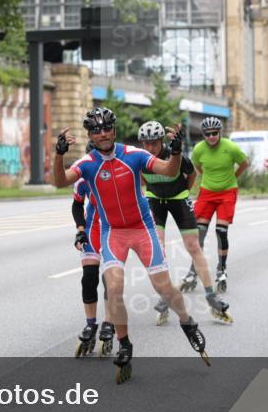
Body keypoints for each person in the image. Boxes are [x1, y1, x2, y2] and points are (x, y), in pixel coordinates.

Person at [52, 107, 210, 384]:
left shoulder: (133, 155)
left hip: (142, 229)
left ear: (113, 130)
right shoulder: (88, 163)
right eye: (95, 130)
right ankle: (125, 344)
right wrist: (59, 154)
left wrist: (175, 152)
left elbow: (168, 171)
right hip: (113, 233)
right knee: (113, 288)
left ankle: (187, 321)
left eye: (106, 128)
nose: (102, 134)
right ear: (89, 134)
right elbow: (58, 182)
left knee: (163, 287)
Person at [136, 120, 231, 325]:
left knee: (193, 246)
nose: (150, 147)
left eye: (154, 143)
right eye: (146, 143)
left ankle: (211, 297)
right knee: (158, 249)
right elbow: (141, 179)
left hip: (179, 199)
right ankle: (166, 295)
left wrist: (184, 192)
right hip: (155, 202)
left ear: (161, 141)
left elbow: (192, 174)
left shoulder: (175, 154)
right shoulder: (141, 158)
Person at [190, 117, 249, 293]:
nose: (211, 137)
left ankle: (221, 269)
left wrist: (233, 178)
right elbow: (198, 167)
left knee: (221, 231)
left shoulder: (230, 147)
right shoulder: (199, 149)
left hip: (227, 193)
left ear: (220, 133)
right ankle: (194, 269)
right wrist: (209, 179)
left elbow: (244, 164)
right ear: (203, 135)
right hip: (207, 193)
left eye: (215, 133)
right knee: (199, 232)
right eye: (207, 134)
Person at [71, 174, 114, 357]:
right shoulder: (83, 177)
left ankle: (109, 323)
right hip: (93, 227)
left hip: (115, 227)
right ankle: (90, 324)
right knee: (89, 277)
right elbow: (77, 204)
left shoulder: (118, 171)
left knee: (111, 279)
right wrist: (80, 230)